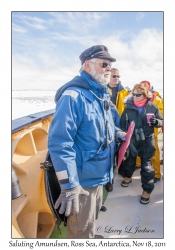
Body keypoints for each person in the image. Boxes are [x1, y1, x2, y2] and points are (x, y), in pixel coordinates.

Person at [48, 45, 126, 238]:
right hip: (82, 182)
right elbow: (60, 143)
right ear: (87, 65)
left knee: (90, 219)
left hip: (99, 174)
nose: (109, 68)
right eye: (104, 64)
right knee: (80, 228)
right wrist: (70, 185)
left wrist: (118, 134)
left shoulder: (100, 95)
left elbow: (104, 126)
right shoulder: (73, 97)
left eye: (110, 65)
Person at [120, 83, 163, 204]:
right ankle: (128, 177)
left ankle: (147, 191)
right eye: (133, 94)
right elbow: (122, 124)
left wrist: (157, 122)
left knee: (147, 167)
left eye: (138, 95)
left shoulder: (153, 107)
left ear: (145, 95)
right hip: (132, 140)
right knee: (129, 162)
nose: (135, 97)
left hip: (147, 141)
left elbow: (162, 120)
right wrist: (123, 136)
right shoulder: (127, 107)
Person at [135, 81, 163, 183]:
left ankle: (156, 174)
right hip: (139, 132)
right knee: (139, 151)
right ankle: (138, 165)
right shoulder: (135, 99)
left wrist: (156, 121)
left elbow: (161, 116)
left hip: (152, 132)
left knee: (154, 154)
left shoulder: (157, 101)